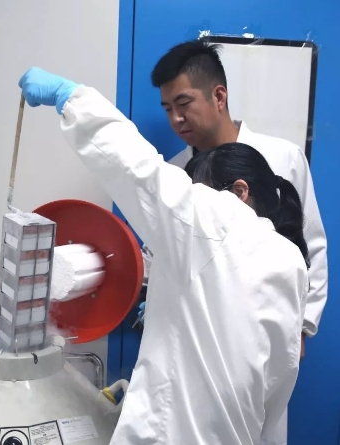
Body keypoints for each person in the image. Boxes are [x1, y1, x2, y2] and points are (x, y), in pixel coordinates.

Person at [18, 67, 309, 445]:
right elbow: (277, 381)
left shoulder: (215, 218)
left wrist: (72, 98)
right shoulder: (290, 260)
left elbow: (141, 172)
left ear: (238, 192)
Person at [147, 40, 328, 444]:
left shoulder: (282, 158)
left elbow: (311, 245)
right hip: (196, 340)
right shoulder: (174, 173)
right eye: (167, 109)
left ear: (219, 96)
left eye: (183, 103)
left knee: (259, 428)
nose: (176, 119)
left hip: (262, 335)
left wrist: (301, 327)